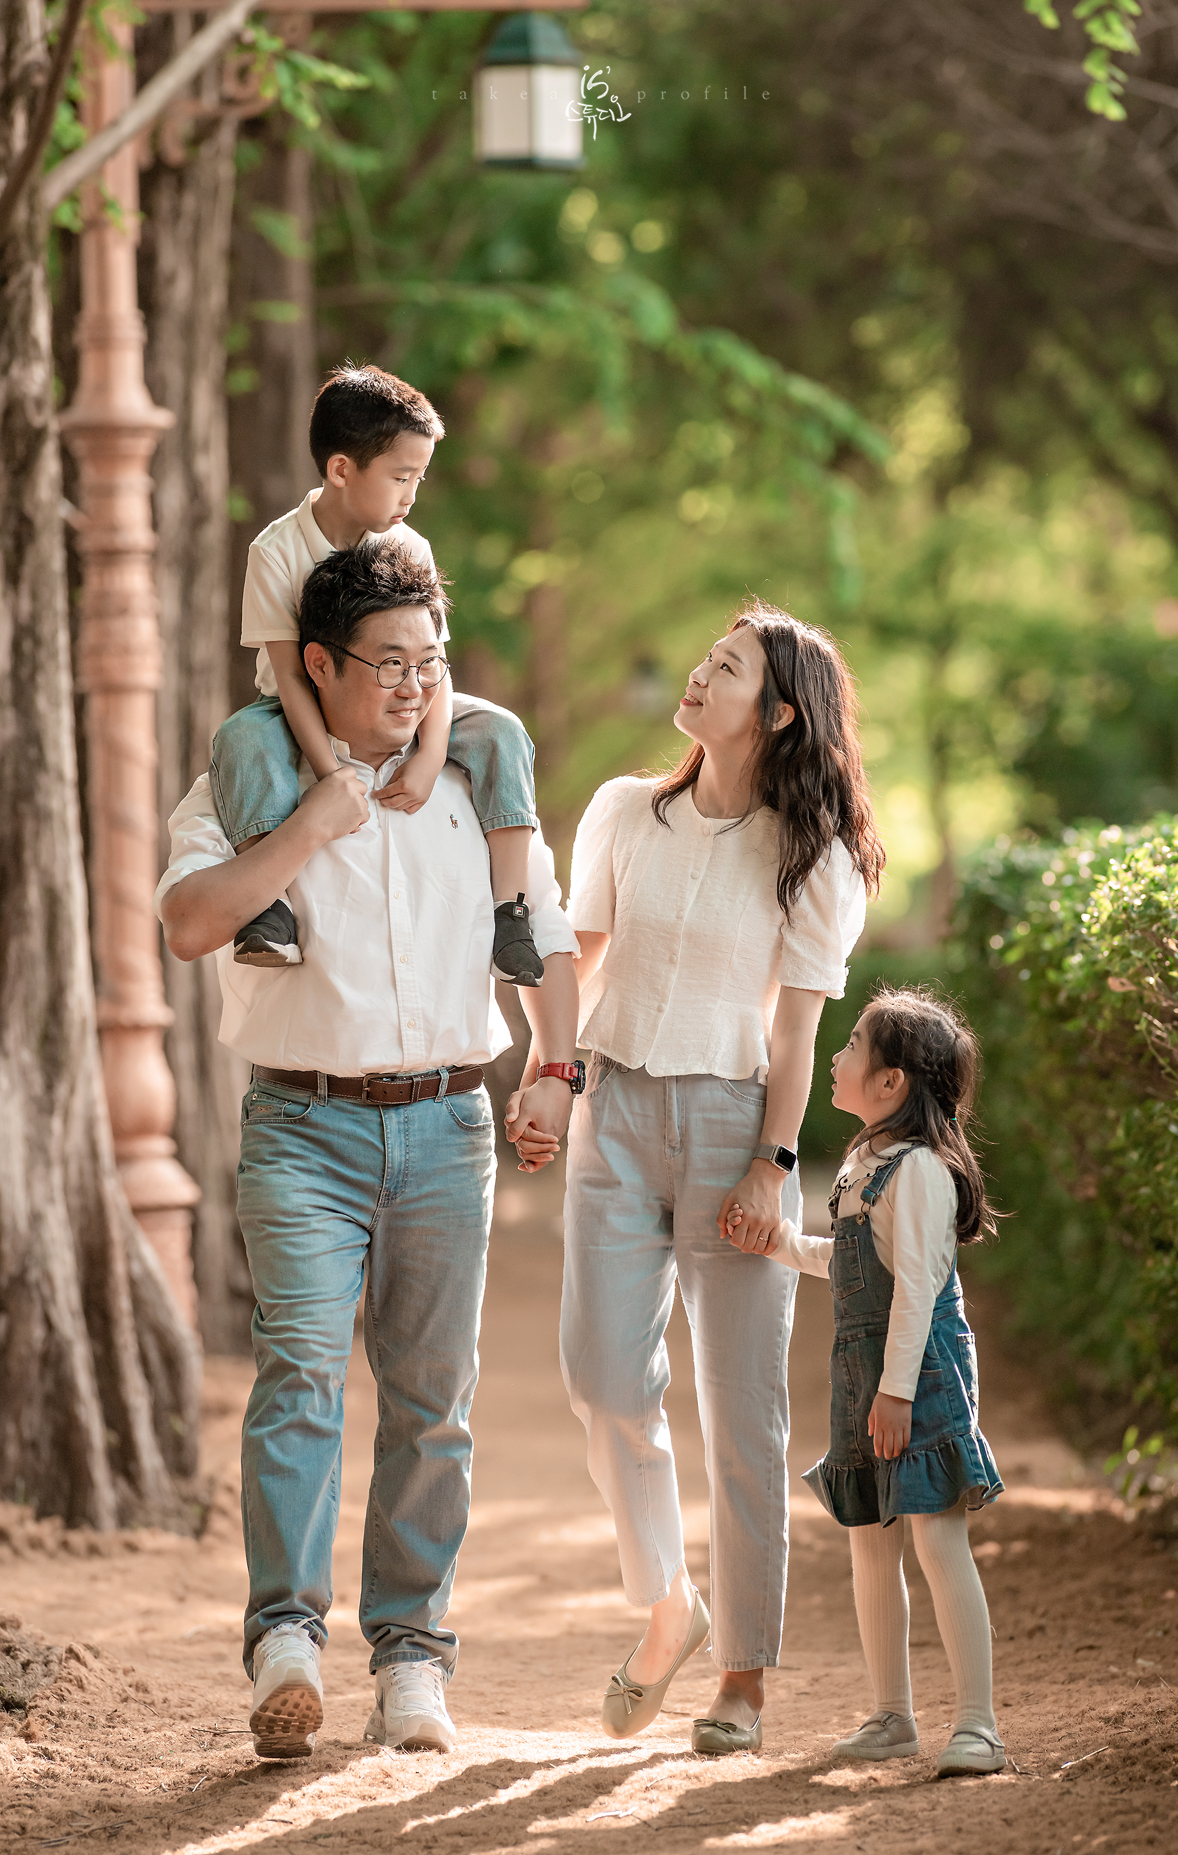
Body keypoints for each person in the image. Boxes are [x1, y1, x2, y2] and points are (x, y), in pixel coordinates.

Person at [155, 536, 580, 1761]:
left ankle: (412, 1660)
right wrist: (314, 825)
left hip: (451, 1124)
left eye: (430, 663)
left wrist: (554, 1067)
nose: (411, 686)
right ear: (320, 665)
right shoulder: (247, 779)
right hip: (302, 1125)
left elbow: (542, 926)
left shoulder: (476, 783)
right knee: (298, 1375)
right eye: (387, 664)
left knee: (433, 1401)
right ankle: (285, 1638)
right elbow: (189, 922)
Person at [508, 600, 884, 1756]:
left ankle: (745, 1680)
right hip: (614, 1114)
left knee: (743, 1417)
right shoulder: (627, 812)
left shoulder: (811, 859)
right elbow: (580, 961)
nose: (696, 672)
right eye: (705, 656)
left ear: (775, 713)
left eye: (726, 667)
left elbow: (794, 1038)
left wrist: (774, 1167)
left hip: (734, 1133)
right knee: (604, 1380)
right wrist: (548, 1072)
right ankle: (670, 1603)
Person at [726, 986, 1006, 1778]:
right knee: (870, 1541)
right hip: (865, 1373)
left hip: (916, 1373)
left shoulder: (918, 1170)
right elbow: (849, 1264)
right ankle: (892, 1713)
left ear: (892, 1083)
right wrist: (778, 1241)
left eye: (851, 1044)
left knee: (936, 1535)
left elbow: (917, 1289)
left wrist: (897, 1393)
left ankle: (979, 1723)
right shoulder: (863, 1163)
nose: (836, 1055)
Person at [212, 361, 544, 986]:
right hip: (300, 705)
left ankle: (511, 913)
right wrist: (334, 776)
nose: (411, 495)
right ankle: (269, 908)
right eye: (400, 476)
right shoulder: (277, 551)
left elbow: (433, 665)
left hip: (405, 693)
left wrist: (430, 754)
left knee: (501, 731)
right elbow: (289, 675)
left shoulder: (408, 546)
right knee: (242, 739)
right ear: (341, 469)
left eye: (418, 476)